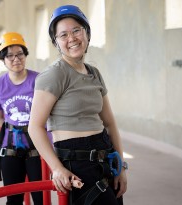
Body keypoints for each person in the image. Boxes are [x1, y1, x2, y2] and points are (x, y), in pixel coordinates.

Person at [28, 5, 128, 205]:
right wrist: (56, 167)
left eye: (76, 30)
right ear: (56, 43)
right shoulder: (54, 74)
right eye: (63, 35)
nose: (72, 38)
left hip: (104, 153)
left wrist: (121, 166)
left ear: (86, 33)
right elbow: (35, 127)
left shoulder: (94, 73)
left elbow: (109, 123)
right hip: (77, 160)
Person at [0, 32, 48, 205]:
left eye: (20, 54)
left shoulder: (38, 80)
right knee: (13, 199)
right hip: (11, 147)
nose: (16, 59)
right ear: (3, 59)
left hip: (37, 145)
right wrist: (16, 129)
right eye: (9, 56)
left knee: (40, 197)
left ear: (25, 55)